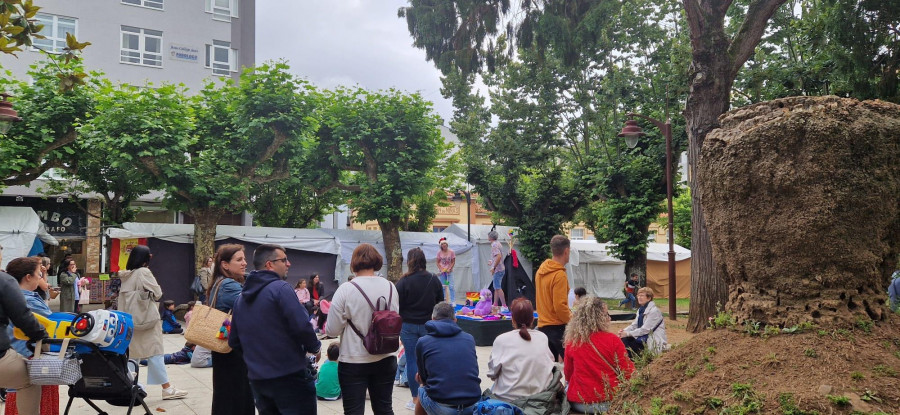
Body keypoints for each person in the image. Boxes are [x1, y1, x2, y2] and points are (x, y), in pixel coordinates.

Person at [230, 243, 322, 415]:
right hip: (290, 377)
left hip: (258, 380)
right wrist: (315, 347)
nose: (289, 264)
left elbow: (234, 341)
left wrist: (256, 362)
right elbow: (302, 325)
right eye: (284, 260)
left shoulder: (241, 298)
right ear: (269, 264)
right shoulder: (281, 289)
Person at [325, 243, 399, 415]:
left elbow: (331, 330)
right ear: (377, 261)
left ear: (354, 263)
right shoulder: (390, 287)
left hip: (354, 360)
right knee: (384, 409)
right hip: (386, 357)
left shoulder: (346, 289)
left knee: (353, 411)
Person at [117, 245, 187, 400]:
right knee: (155, 352)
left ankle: (128, 385)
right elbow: (158, 293)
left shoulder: (126, 275)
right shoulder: (144, 272)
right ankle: (167, 388)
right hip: (147, 321)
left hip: (130, 321)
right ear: (145, 258)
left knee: (132, 355)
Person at [207, 243, 255, 415]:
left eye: (244, 259)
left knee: (227, 395)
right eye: (239, 260)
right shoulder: (228, 285)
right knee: (237, 396)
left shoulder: (221, 282)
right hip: (233, 350)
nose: (244, 263)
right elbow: (253, 308)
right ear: (225, 264)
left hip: (225, 348)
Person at [564, 296, 634, 413]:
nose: (609, 318)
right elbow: (628, 372)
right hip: (608, 400)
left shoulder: (572, 341)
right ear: (599, 318)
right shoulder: (613, 340)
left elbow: (568, 374)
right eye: (606, 314)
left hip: (579, 402)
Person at [396, 247, 445, 410]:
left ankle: (416, 399)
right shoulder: (433, 279)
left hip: (408, 325)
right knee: (429, 359)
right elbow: (440, 303)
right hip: (428, 325)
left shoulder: (403, 281)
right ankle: (430, 395)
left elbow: (397, 305)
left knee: (411, 360)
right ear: (424, 260)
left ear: (409, 261)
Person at [415, 302, 481, 415]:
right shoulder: (469, 338)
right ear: (455, 320)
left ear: (432, 318)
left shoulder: (423, 342)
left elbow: (423, 377)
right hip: (472, 404)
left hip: (443, 405)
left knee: (422, 388)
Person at [486, 297, 554, 402]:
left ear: (512, 319)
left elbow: (492, 373)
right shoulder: (542, 337)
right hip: (538, 399)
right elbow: (550, 365)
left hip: (507, 400)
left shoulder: (501, 340)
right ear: (532, 319)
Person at [0, 268, 47, 414]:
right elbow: (24, 318)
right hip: (1, 358)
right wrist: (43, 338)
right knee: (29, 381)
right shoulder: (4, 280)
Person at [534, 235, 572, 362]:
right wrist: (573, 320)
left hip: (542, 325)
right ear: (566, 251)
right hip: (557, 327)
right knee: (571, 365)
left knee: (549, 369)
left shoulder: (541, 271)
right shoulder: (559, 275)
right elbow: (560, 306)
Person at [6, 257, 53, 357]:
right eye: (39, 274)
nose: (40, 278)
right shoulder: (28, 301)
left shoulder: (10, 295)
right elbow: (53, 322)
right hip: (27, 353)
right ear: (28, 277)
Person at [618, 287, 669, 359]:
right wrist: (624, 331)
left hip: (651, 340)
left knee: (626, 343)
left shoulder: (654, 311)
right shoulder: (641, 310)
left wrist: (628, 333)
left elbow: (645, 329)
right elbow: (634, 325)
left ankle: (630, 363)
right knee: (623, 340)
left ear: (649, 298)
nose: (639, 297)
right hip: (642, 338)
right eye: (638, 295)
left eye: (642, 295)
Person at [488, 230, 508, 309]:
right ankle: (495, 303)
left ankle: (504, 305)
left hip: (498, 269)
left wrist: (493, 267)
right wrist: (492, 262)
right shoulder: (498, 243)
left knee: (498, 287)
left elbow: (499, 256)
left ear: (490, 237)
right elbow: (497, 256)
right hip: (501, 268)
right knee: (496, 287)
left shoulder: (494, 245)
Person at [436, 237, 456, 303]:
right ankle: (444, 301)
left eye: (445, 243)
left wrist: (450, 268)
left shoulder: (451, 252)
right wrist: (441, 269)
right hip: (442, 273)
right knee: (443, 286)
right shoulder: (439, 253)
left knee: (451, 286)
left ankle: (453, 301)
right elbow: (437, 262)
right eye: (442, 244)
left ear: (447, 244)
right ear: (441, 246)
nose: (444, 245)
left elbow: (453, 261)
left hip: (449, 272)